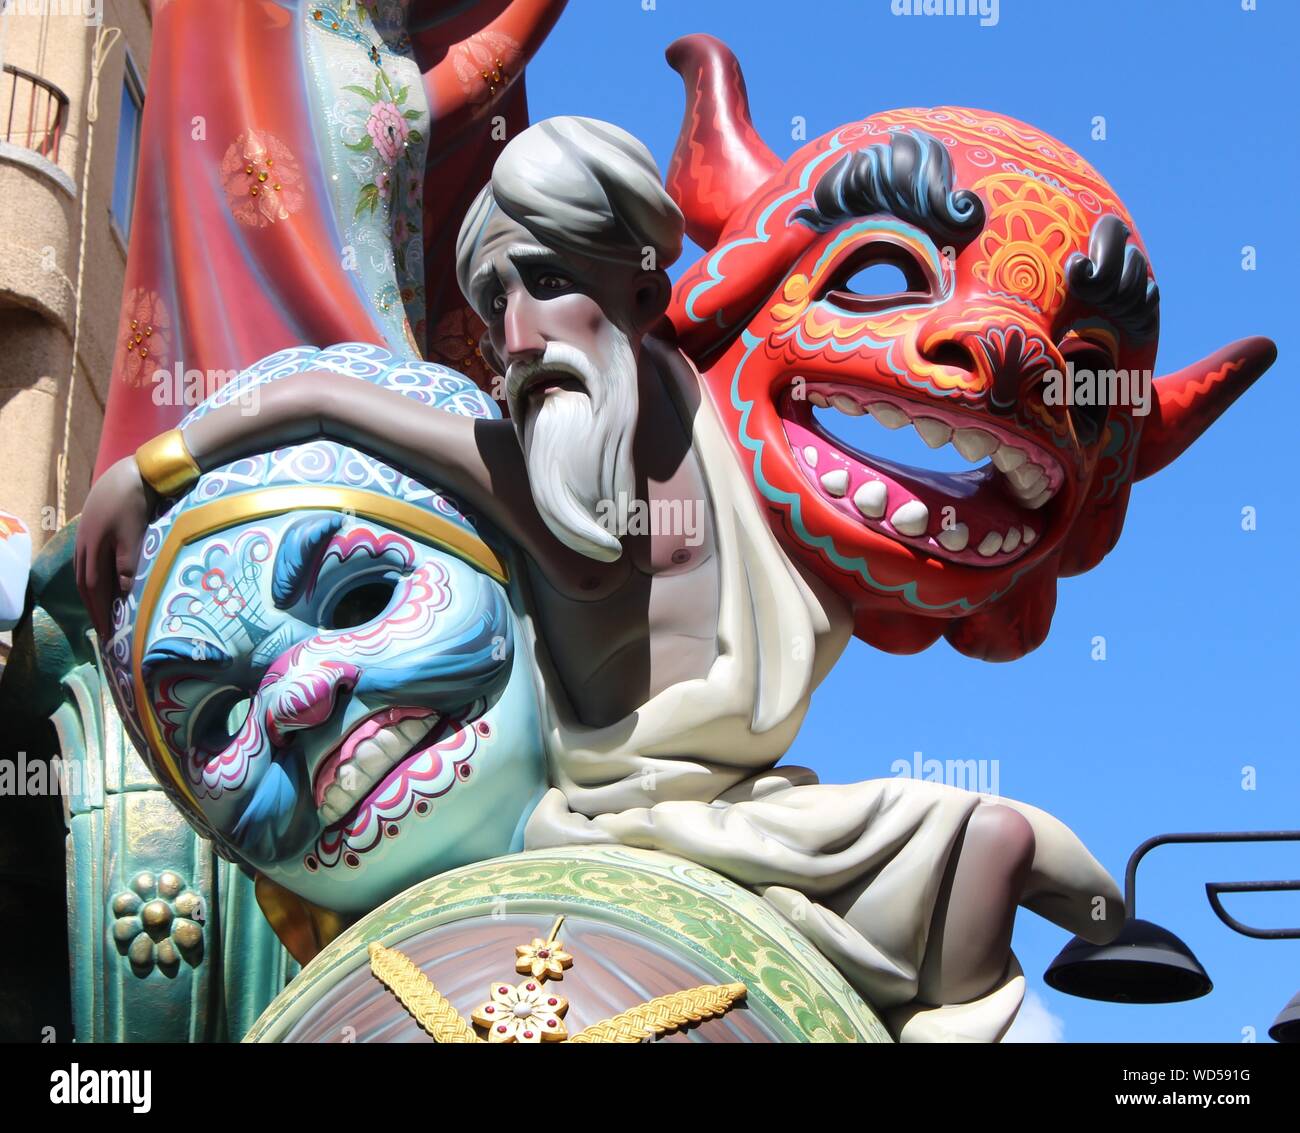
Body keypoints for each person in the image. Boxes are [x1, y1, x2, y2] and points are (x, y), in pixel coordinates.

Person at [78, 117, 1122, 1041]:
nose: (520, 332)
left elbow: (322, 395)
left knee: (973, 844)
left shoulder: (685, 444)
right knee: (971, 839)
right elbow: (320, 396)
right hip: (609, 818)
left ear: (639, 287)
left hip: (660, 814)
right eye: (496, 299)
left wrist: (153, 461)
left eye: (547, 279)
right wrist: (155, 466)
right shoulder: (541, 455)